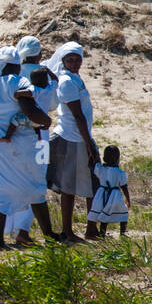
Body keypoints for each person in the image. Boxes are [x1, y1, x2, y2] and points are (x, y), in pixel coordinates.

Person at [0, 46, 59, 250]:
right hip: (25, 145)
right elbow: (29, 109)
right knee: (36, 187)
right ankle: (48, 234)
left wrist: (0, 139)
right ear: (15, 65)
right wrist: (46, 121)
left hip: (1, 148)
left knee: (1, 193)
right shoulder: (19, 82)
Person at [46, 41, 97, 239]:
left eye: (77, 60)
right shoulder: (67, 82)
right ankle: (68, 231)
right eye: (70, 60)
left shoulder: (74, 78)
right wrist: (88, 143)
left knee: (89, 184)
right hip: (72, 138)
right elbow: (78, 116)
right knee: (69, 188)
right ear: (64, 61)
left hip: (79, 137)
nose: (75, 63)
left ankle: (90, 229)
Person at [86, 145, 130, 239]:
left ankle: (102, 235)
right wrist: (128, 199)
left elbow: (91, 166)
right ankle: (122, 233)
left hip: (101, 195)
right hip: (115, 196)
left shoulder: (101, 169)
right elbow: (124, 186)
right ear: (118, 158)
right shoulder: (120, 172)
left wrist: (92, 156)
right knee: (124, 213)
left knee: (104, 215)